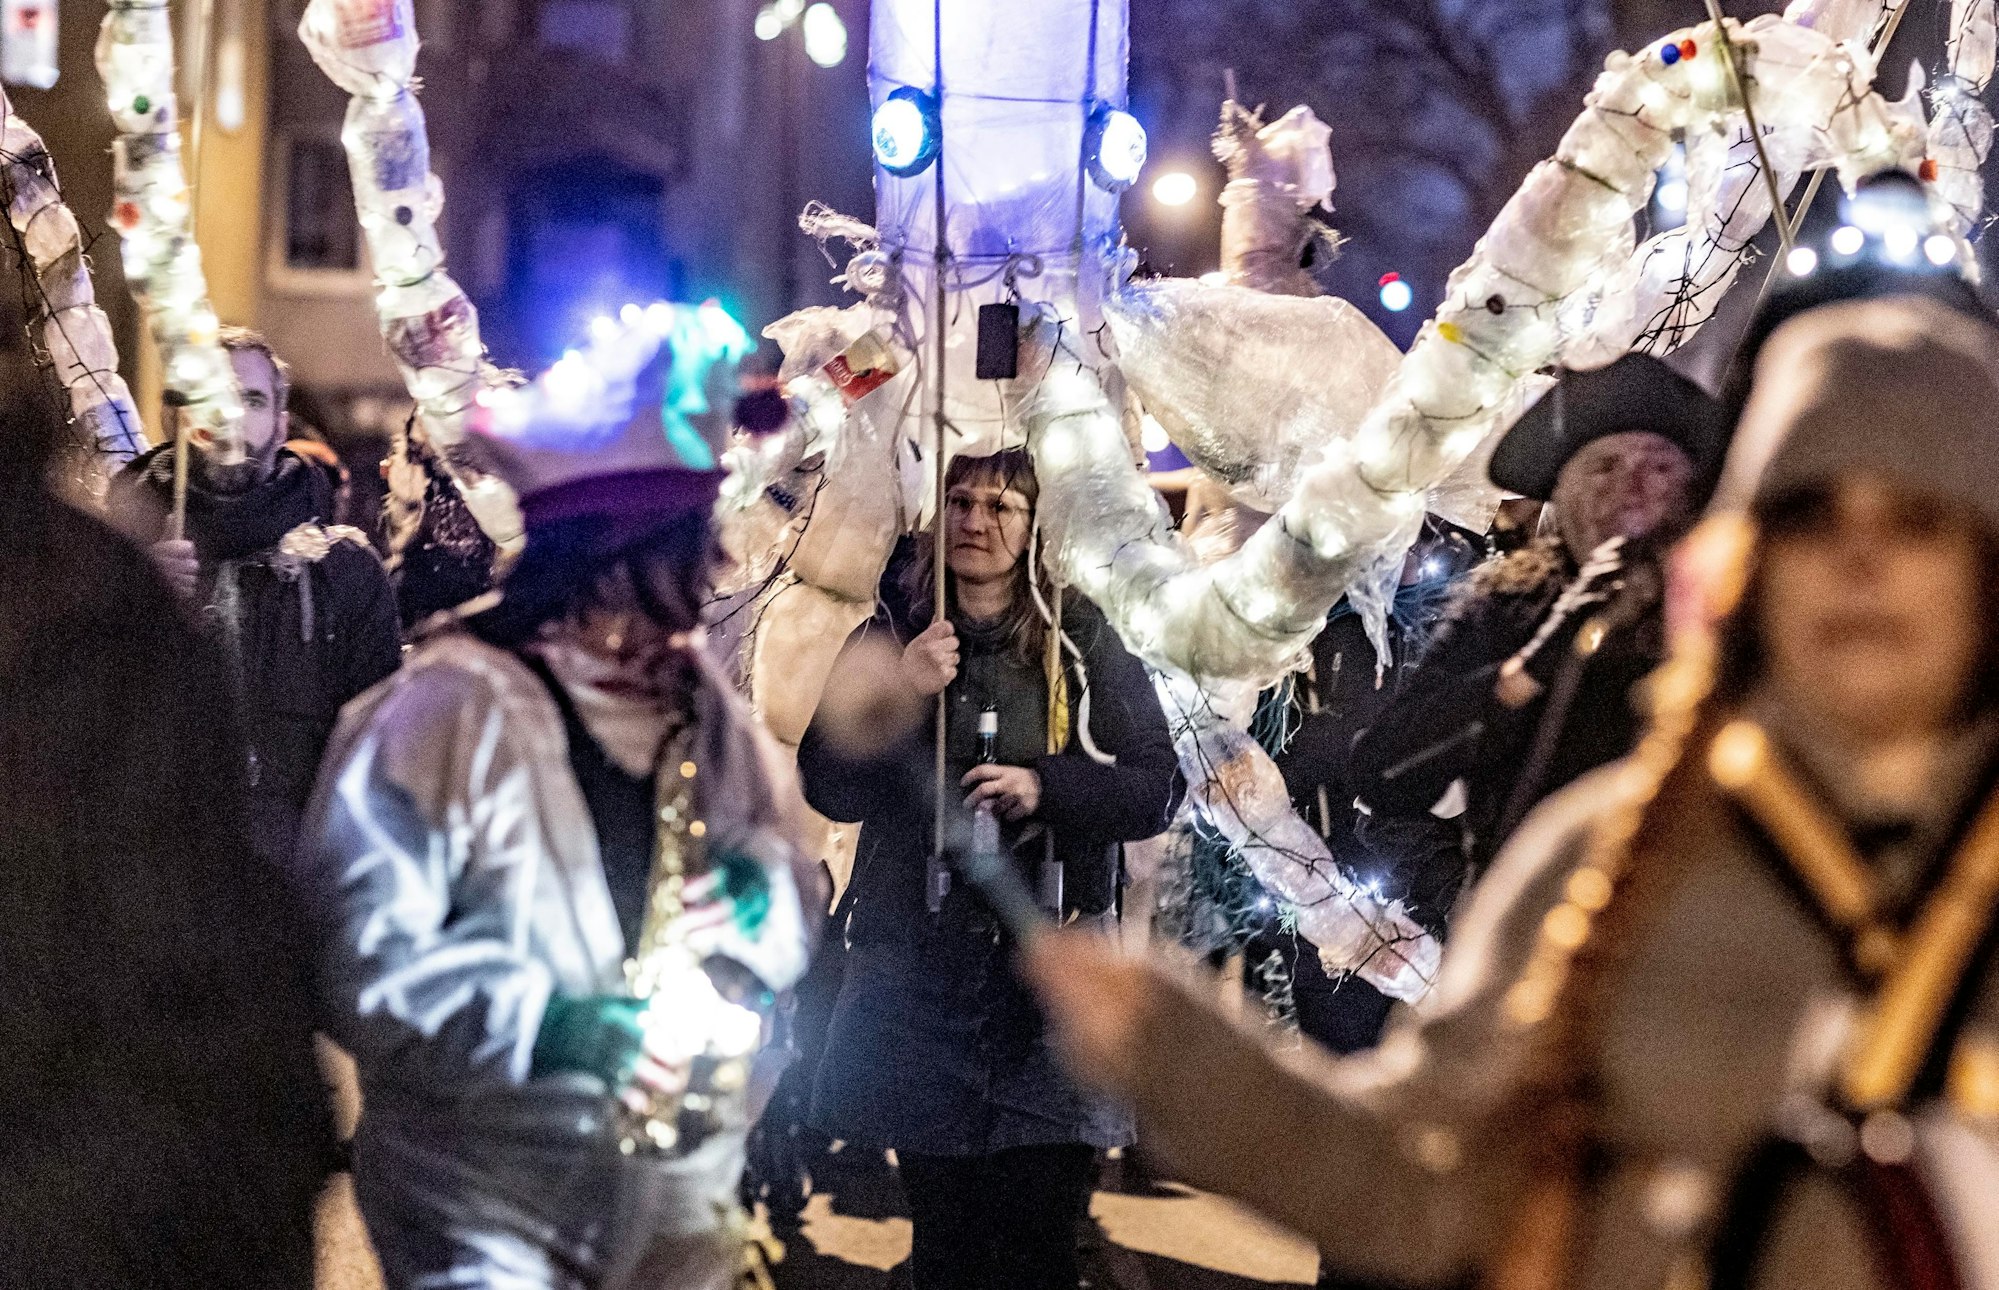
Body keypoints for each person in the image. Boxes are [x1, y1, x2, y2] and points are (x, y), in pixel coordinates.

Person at [1023, 295, 1999, 1289]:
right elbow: (1420, 1181)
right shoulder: (1599, 863)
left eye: (1917, 522)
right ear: (1753, 566)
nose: (1861, 561)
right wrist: (1183, 1059)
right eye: (1812, 516)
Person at [296, 365, 816, 1290]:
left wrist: (747, 904)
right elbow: (355, 949)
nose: (721, 567)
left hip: (664, 1193)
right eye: (694, 540)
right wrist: (553, 1027)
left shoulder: (698, 704)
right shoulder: (445, 708)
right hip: (480, 1199)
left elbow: (776, 872)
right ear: (614, 556)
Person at [798, 448, 1181, 1290]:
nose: (976, 521)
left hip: (1049, 976)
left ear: (1035, 525)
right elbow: (828, 784)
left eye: (1001, 506)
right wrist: (899, 687)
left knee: (1037, 1236)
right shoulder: (890, 632)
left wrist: (1046, 785)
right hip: (919, 974)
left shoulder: (1081, 640)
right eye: (962, 501)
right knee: (947, 1236)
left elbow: (1155, 787)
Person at [0, 377, 330, 1287]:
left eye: (259, 400)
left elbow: (181, 936)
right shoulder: (97, 580)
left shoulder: (89, 601)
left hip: (98, 1170)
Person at [1348, 352, 1730, 876]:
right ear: (1564, 493)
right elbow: (1384, 774)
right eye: (1604, 466)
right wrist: (1533, 663)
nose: (1632, 486)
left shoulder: (1733, 605)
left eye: (1659, 467)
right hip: (1536, 922)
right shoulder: (1505, 605)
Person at [107, 328, 402, 867]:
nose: (231, 416)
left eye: (252, 399)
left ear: (281, 423)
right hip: (156, 877)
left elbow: (377, 761)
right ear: (180, 417)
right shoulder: (115, 559)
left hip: (296, 885)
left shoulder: (345, 574)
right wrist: (137, 601)